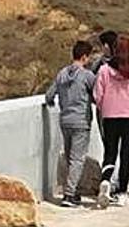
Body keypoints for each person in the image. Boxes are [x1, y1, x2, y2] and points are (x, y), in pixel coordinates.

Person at [94, 36, 129, 208]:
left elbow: (97, 94)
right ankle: (122, 192)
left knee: (110, 151)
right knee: (125, 153)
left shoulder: (104, 70)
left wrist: (104, 107)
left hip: (110, 116)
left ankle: (105, 180)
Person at [45, 41, 96, 208]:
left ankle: (72, 191)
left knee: (69, 158)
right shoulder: (87, 76)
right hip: (81, 120)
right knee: (77, 159)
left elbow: (49, 95)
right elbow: (98, 94)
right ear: (84, 56)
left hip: (65, 120)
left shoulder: (62, 74)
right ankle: (70, 194)